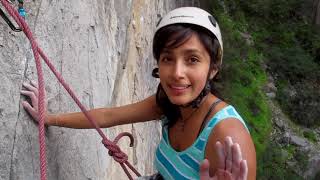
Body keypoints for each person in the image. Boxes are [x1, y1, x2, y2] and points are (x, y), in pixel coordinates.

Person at [21, 7, 256, 180]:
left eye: (192, 60)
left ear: (212, 69)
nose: (177, 73)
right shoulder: (169, 103)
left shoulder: (227, 136)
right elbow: (107, 116)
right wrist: (50, 118)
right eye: (167, 58)